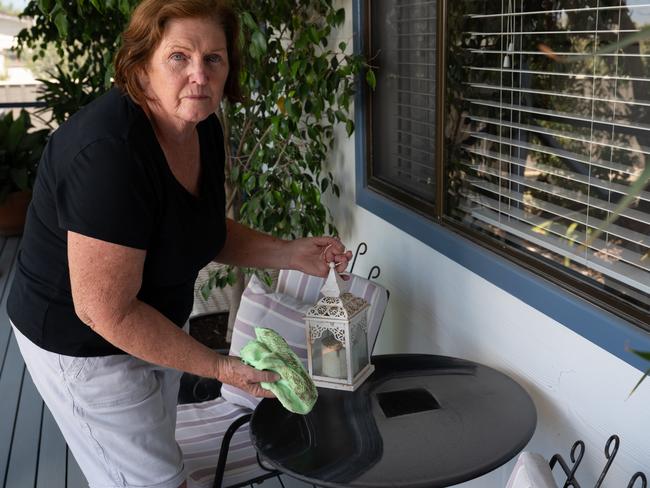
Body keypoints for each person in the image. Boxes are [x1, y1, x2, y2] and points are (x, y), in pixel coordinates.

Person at [7, 1, 352, 487]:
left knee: (158, 455)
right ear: (141, 66)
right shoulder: (109, 155)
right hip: (83, 343)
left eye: (214, 59)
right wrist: (218, 366)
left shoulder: (202, 128)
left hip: (156, 323)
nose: (199, 75)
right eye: (178, 57)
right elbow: (107, 312)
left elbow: (198, 228)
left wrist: (290, 252)